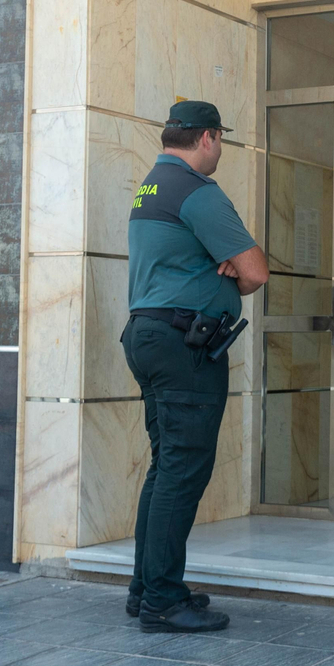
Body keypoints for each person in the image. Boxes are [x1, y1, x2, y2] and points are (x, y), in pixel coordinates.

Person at [121, 100, 268, 633]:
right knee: (182, 471)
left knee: (165, 468)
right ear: (208, 138)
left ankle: (148, 588)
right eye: (221, 140)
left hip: (149, 334)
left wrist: (216, 265)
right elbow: (256, 272)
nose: (220, 149)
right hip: (184, 345)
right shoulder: (198, 192)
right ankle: (162, 599)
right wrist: (228, 271)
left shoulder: (151, 187)